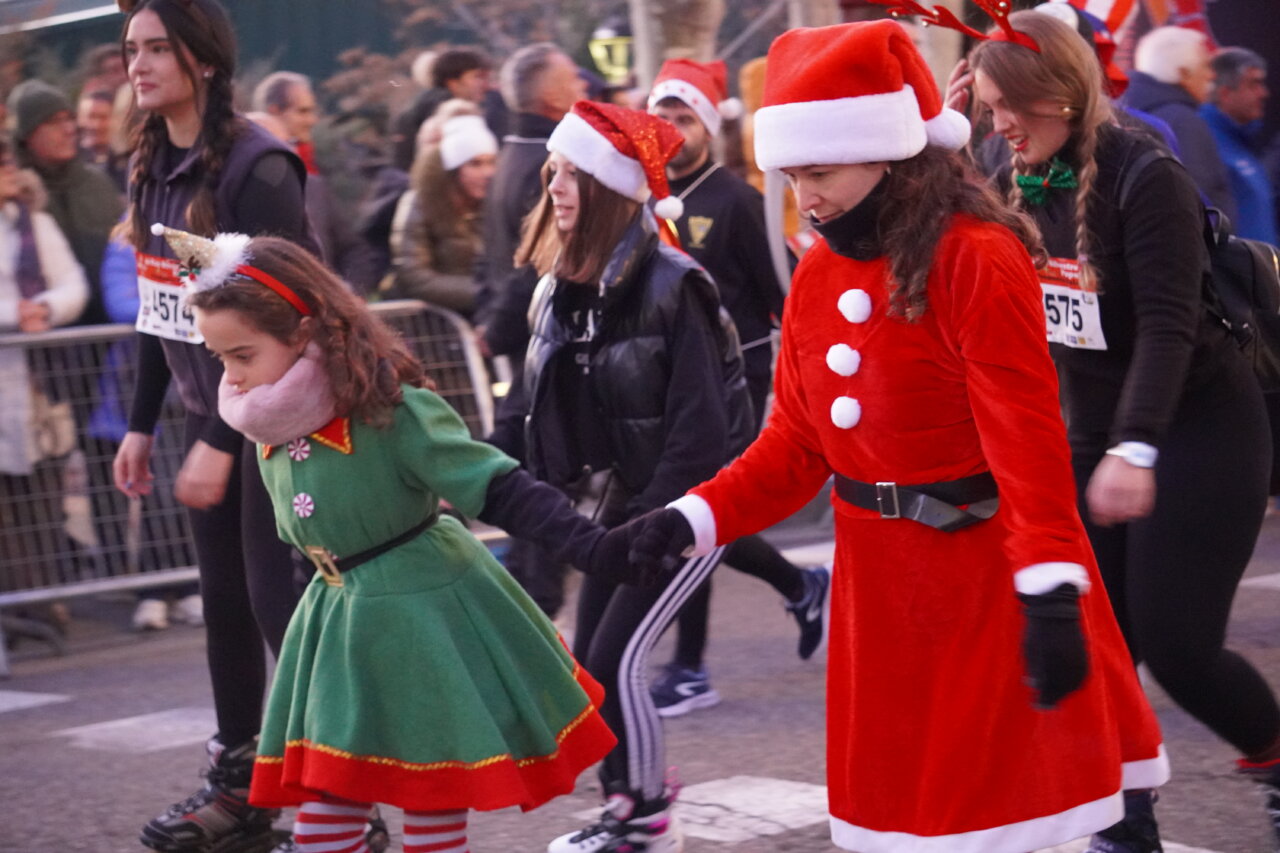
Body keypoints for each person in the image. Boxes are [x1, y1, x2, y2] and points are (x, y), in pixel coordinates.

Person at [624, 19, 1171, 852]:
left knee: (994, 820)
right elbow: (796, 449)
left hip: (979, 583)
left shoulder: (975, 257)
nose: (804, 197)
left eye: (821, 171)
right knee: (907, 823)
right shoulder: (817, 270)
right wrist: (690, 520)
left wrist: (1052, 594)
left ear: (890, 155)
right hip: (878, 591)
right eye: (792, 174)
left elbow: (1027, 451)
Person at [155, 224, 634, 853]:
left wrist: (593, 547)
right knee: (327, 810)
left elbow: (494, 485)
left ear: (303, 333)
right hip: (338, 624)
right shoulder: (269, 419)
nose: (233, 377)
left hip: (421, 616)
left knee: (428, 798)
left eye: (243, 355)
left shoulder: (391, 408)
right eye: (221, 359)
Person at [959, 10, 1280, 850]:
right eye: (986, 109)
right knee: (1090, 637)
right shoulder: (1005, 160)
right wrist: (945, 134)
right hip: (1095, 427)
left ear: (1058, 96)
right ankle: (1122, 819)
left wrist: (1136, 446)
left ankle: (1277, 756)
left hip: (1198, 425)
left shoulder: (1145, 173)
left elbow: (1171, 327)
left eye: (1007, 108)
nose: (998, 126)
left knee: (1178, 644)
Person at [485, 100, 751, 853]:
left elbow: (705, 434)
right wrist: (460, 465)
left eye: (573, 172)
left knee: (615, 660)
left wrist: (660, 525)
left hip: (684, 512)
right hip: (611, 514)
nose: (556, 185)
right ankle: (627, 806)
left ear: (610, 186)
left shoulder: (676, 285)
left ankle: (643, 820)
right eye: (554, 171)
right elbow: (529, 416)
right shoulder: (554, 287)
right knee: (588, 670)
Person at [111, 1, 317, 849]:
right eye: (131, 50)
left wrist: (222, 440)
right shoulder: (154, 163)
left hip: (276, 425)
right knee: (226, 605)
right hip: (210, 420)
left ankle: (352, 800)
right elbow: (171, 310)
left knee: (283, 610)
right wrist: (140, 425)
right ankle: (241, 788)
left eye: (159, 48)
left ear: (201, 57)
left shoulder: (257, 166)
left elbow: (281, 317)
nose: (140, 64)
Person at [644, 58, 829, 717]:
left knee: (699, 510)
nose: (670, 129)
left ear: (707, 128)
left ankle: (689, 666)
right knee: (696, 513)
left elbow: (790, 298)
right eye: (660, 116)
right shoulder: (643, 198)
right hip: (668, 387)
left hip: (733, 384)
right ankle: (803, 584)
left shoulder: (737, 202)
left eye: (683, 118)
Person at [477, 42, 586, 620]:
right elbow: (530, 259)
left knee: (527, 472)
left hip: (523, 340)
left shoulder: (509, 158)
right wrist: (493, 324)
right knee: (540, 477)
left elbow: (489, 255)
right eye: (573, 79)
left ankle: (526, 598)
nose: (584, 88)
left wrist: (486, 317)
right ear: (550, 95)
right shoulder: (543, 163)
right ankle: (535, 611)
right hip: (538, 344)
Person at [0, 135, 88, 608]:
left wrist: (46, 309)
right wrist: (16, 314)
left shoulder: (36, 224)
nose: (8, 168)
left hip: (37, 390)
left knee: (42, 497)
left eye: (8, 159)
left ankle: (41, 604)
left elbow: (73, 283)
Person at [249, 74, 380, 294]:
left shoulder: (314, 184)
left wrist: (347, 294)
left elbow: (352, 248)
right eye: (303, 111)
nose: (313, 120)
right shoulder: (224, 195)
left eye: (289, 145)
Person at [7, 77, 124, 326]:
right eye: (53, 122)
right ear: (26, 135)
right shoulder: (15, 195)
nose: (69, 129)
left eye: (69, 118)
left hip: (109, 329)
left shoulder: (97, 184)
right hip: (44, 336)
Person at [383, 113, 496, 317]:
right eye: (475, 164)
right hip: (436, 324)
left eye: (491, 162)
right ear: (452, 170)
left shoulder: (493, 204)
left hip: (486, 315)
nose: (487, 173)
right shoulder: (419, 204)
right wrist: (483, 291)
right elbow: (415, 277)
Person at [1124, 25, 1236, 219]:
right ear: (1183, 73)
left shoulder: (1125, 112)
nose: (1212, 75)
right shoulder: (1183, 123)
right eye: (1205, 65)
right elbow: (1198, 200)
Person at [1202, 46, 1276, 245]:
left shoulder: (1241, 141)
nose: (1264, 93)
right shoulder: (1205, 141)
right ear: (1225, 93)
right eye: (1254, 84)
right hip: (1237, 273)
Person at [390, 45, 492, 172]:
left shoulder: (426, 104)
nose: (486, 85)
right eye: (477, 77)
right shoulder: (448, 115)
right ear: (453, 82)